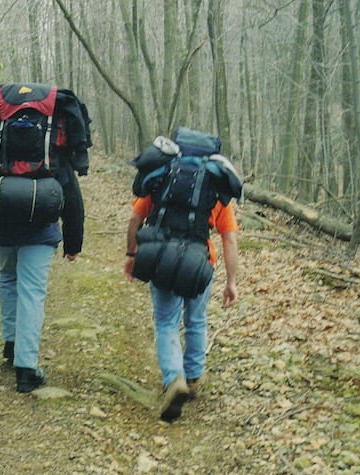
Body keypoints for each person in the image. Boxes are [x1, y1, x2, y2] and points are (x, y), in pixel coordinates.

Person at [0, 83, 90, 393]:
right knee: (32, 291)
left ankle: (11, 342)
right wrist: (73, 242)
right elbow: (71, 194)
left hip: (0, 225)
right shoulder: (51, 149)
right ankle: (26, 368)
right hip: (40, 228)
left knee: (8, 277)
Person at [123, 132, 239, 422]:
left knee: (166, 322)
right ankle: (194, 377)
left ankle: (174, 378)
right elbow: (229, 239)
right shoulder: (215, 187)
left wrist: (132, 255)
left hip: (160, 258)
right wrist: (231, 282)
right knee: (196, 320)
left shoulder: (162, 178)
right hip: (200, 261)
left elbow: (135, 220)